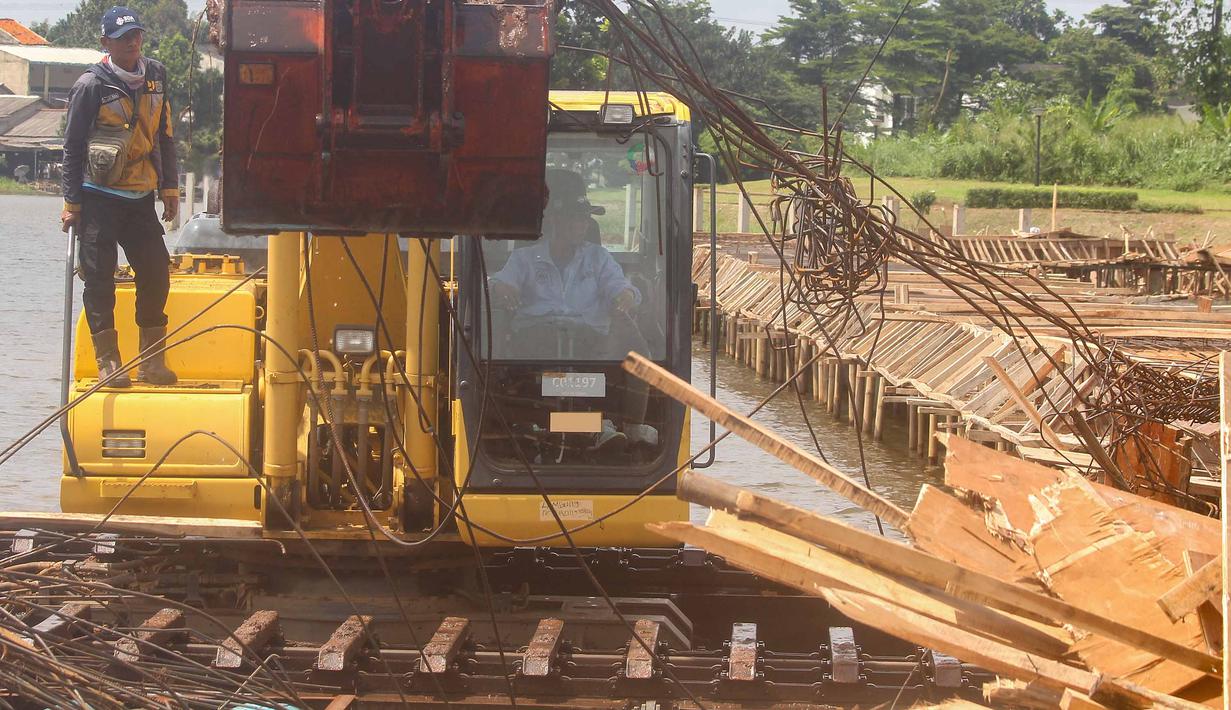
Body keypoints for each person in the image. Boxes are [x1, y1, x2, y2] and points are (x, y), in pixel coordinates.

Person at [489, 169, 657, 449]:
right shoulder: (524, 259)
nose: (582, 225)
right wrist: (502, 289)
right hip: (534, 344)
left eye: (585, 219)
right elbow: (497, 285)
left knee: (634, 349)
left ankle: (621, 425)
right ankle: (592, 428)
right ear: (555, 220)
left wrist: (625, 296)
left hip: (588, 344)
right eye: (575, 218)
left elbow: (620, 287)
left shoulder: (599, 259)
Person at [60, 6, 178, 387]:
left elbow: (165, 136)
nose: (133, 42)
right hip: (98, 197)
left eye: (137, 35)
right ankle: (108, 361)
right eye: (124, 37)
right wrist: (71, 203)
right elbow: (72, 147)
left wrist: (170, 187)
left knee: (156, 272)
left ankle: (151, 361)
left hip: (140, 196)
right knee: (98, 280)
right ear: (105, 43)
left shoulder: (156, 74)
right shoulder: (90, 86)